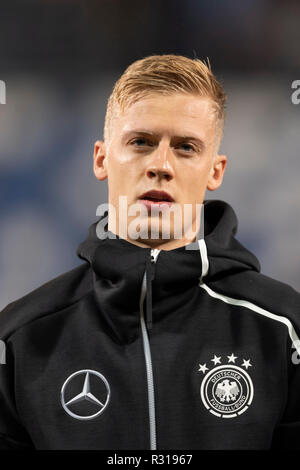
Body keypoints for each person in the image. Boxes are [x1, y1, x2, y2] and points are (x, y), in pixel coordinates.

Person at [0, 54, 300, 450]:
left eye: (186, 147)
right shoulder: (20, 339)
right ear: (101, 158)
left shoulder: (284, 328)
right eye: (141, 142)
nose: (161, 165)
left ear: (216, 170)